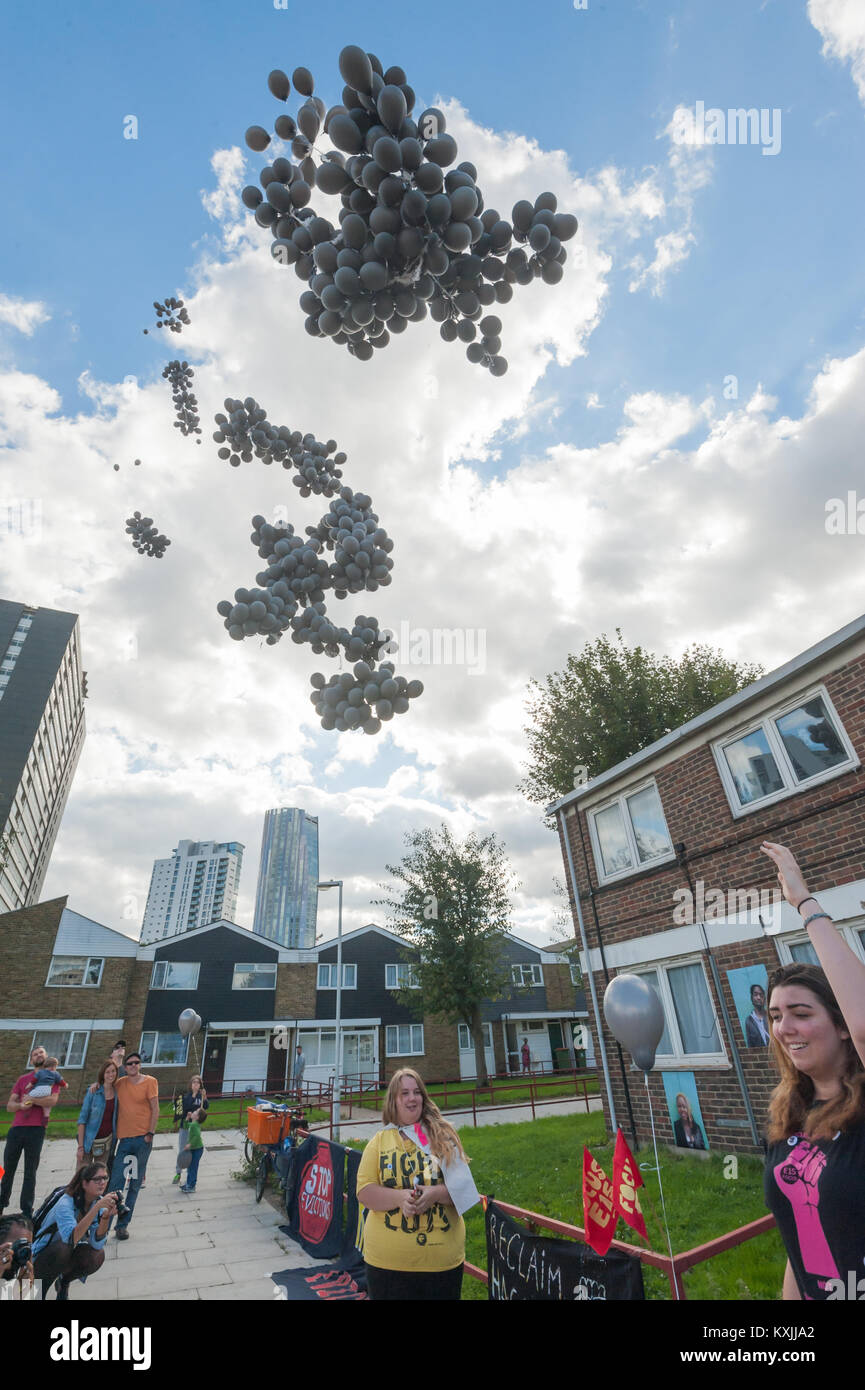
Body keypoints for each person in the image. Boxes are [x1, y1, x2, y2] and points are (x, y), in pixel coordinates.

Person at [760, 840, 865, 1301]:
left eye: (801, 1012)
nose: (785, 1028)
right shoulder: (789, 1116)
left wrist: (805, 903)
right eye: (776, 1015)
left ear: (841, 1025)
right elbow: (796, 1241)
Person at [356, 1067, 479, 1301]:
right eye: (404, 1093)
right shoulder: (379, 1141)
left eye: (417, 1092)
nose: (412, 1098)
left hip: (441, 1266)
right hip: (387, 1266)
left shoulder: (442, 1136)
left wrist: (435, 1193)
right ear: (393, 1100)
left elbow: (464, 1191)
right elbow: (364, 1192)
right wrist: (400, 1198)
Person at [31, 1162, 118, 1300]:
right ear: (84, 1183)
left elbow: (97, 1245)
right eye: (97, 1179)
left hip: (60, 1256)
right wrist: (97, 1209)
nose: (102, 1183)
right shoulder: (65, 1203)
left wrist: (105, 1216)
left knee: (97, 1255)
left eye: (105, 1178)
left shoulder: (98, 1202)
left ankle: (63, 1283)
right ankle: (39, 1290)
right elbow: (71, 1238)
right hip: (38, 1255)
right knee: (64, 1248)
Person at [0, 1046, 63, 1220]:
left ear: (46, 1057)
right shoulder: (23, 1080)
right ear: (31, 1059)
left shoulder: (52, 1078)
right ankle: (1, 1203)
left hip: (36, 1129)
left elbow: (52, 1100)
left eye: (41, 1053)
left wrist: (32, 1099)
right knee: (8, 1169)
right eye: (35, 1054)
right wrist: (21, 1105)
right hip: (17, 1129)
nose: (38, 1056)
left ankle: (26, 1210)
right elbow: (9, 1105)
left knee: (30, 1171)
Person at [110, 1052, 159, 1240]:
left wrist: (150, 1133)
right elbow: (106, 1082)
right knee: (116, 1183)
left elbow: (155, 1108)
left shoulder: (150, 1081)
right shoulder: (120, 1083)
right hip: (125, 1141)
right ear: (125, 1066)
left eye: (136, 1063)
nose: (132, 1066)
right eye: (129, 1063)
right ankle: (105, 1224)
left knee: (134, 1183)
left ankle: (122, 1225)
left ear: (140, 1065)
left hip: (142, 1140)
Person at [76, 1059, 119, 1168]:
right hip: (88, 1142)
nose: (111, 1074)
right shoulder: (93, 1092)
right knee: (82, 1176)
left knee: (100, 1176)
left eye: (113, 1071)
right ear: (102, 1074)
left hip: (106, 1143)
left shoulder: (117, 1092)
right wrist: (80, 1147)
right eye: (107, 1072)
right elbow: (82, 1120)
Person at [172, 1074, 208, 1184]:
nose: (195, 1084)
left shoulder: (200, 1097)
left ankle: (189, 1173)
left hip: (194, 1127)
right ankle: (178, 1172)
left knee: (192, 1149)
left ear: (200, 1085)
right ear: (191, 1085)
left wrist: (205, 1097)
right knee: (183, 1148)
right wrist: (193, 1096)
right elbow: (185, 1106)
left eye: (197, 1083)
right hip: (185, 1126)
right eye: (193, 1083)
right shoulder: (186, 1096)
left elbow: (205, 1108)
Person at [0, 1213, 35, 1294]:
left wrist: (21, 1293)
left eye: (27, 1245)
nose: (23, 1251)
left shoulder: (20, 1274)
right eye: (18, 1245)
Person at [179, 1108, 205, 1193]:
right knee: (190, 1167)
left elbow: (197, 1136)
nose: (193, 1111)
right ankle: (188, 1184)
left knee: (193, 1168)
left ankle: (191, 1186)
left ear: (197, 1117)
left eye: (195, 1112)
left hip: (197, 1149)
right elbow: (186, 1126)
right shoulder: (193, 1124)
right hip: (194, 1149)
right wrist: (187, 1118)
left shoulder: (194, 1125)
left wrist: (190, 1144)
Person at [745, 982, 770, 1047]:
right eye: (755, 995)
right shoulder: (748, 1021)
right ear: (751, 998)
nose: (759, 998)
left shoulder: (770, 1016)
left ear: (764, 999)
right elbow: (750, 1045)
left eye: (761, 995)